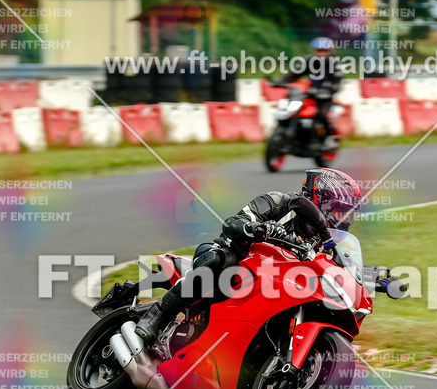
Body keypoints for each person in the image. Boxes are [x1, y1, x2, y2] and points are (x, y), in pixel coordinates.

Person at [134, 168, 362, 344]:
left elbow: (332, 269)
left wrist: (367, 279)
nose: (342, 221)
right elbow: (233, 223)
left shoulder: (323, 242)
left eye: (347, 215)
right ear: (319, 199)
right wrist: (255, 229)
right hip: (234, 261)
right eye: (338, 211)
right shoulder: (279, 202)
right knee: (220, 260)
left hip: (272, 285)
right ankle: (157, 315)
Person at [279, 37, 343, 150]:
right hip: (309, 93)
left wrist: (331, 88)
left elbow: (337, 81)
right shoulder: (309, 61)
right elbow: (294, 74)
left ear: (330, 51)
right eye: (319, 50)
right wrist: (280, 81)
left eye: (324, 50)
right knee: (290, 109)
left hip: (325, 96)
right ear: (314, 50)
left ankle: (329, 139)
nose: (322, 53)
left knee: (322, 115)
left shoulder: (336, 63)